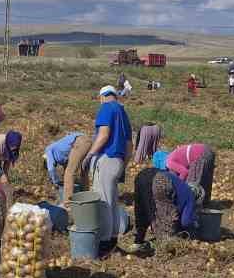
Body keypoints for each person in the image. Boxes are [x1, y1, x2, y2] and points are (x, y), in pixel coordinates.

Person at [88, 86, 132, 248]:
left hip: (107, 159)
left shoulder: (106, 107)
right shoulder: (122, 112)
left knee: (103, 202)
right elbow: (129, 145)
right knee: (112, 201)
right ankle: (113, 238)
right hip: (118, 162)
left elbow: (104, 134)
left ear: (102, 96)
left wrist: (90, 154)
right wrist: (123, 165)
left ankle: (104, 242)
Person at [128, 166, 197, 247]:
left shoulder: (183, 186)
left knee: (141, 208)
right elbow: (186, 221)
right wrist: (194, 225)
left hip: (142, 175)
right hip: (161, 180)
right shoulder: (191, 196)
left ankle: (138, 241)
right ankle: (165, 245)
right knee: (166, 216)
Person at [44, 131, 93, 204]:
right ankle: (86, 199)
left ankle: (67, 204)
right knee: (83, 173)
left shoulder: (48, 150)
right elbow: (68, 165)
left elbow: (51, 169)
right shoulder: (59, 153)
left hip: (79, 141)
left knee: (69, 173)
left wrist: (56, 182)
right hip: (88, 141)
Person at [164, 142, 216, 207]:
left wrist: (179, 185)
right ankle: (206, 205)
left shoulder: (169, 163)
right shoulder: (172, 156)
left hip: (199, 155)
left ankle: (192, 209)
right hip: (207, 151)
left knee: (192, 186)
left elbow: (184, 172)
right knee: (205, 182)